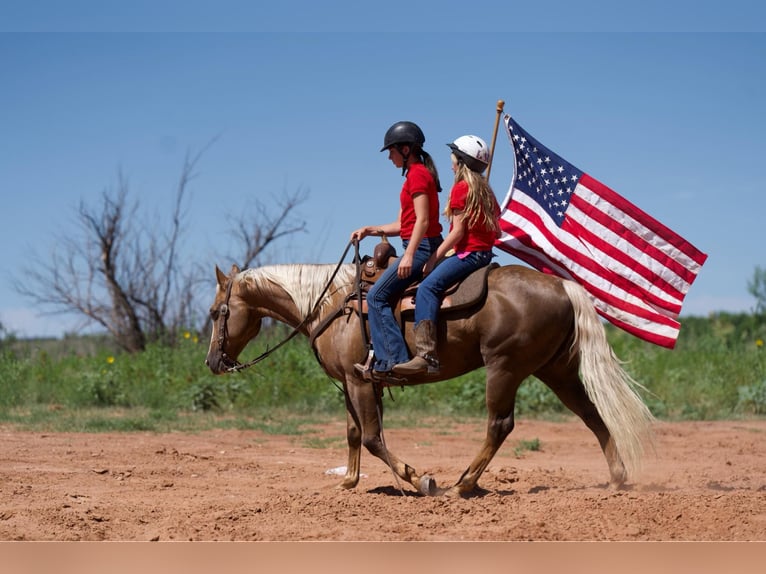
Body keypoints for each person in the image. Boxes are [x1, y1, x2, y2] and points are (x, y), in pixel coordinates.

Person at [392, 135, 500, 376]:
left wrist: (434, 258)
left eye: (453, 158)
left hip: (468, 255)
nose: (450, 163)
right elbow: (496, 229)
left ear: (461, 162)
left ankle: (426, 354)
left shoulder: (461, 188)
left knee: (427, 288)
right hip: (484, 255)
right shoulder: (486, 192)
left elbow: (459, 231)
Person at [351, 121, 443, 379]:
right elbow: (405, 224)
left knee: (376, 297)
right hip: (417, 242)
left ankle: (393, 361)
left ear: (405, 150)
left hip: (422, 247)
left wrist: (410, 254)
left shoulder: (417, 175)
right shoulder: (415, 175)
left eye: (391, 151)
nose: (389, 156)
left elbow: (423, 222)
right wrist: (370, 229)